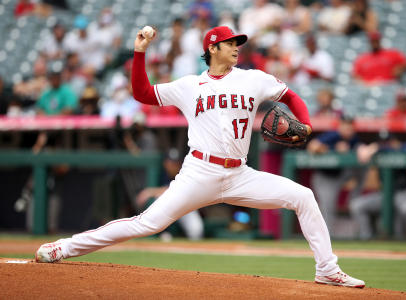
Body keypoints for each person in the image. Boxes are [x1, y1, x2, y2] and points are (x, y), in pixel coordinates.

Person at [35, 25, 365, 288]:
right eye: (230, 43)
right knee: (146, 223)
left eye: (239, 42)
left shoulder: (253, 79)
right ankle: (64, 247)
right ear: (212, 48)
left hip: (240, 174)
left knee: (302, 196)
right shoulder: (189, 85)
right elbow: (143, 94)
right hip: (199, 172)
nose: (237, 47)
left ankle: (327, 270)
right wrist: (139, 53)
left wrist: (305, 122)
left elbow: (291, 95)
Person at [307, 116, 366, 237]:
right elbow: (312, 147)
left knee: (363, 166)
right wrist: (332, 149)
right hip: (325, 177)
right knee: (328, 208)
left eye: (350, 128)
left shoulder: (353, 139)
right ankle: (325, 237)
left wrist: (362, 150)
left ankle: (354, 197)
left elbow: (361, 148)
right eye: (346, 127)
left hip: (341, 175)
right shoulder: (333, 135)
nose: (348, 130)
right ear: (340, 126)